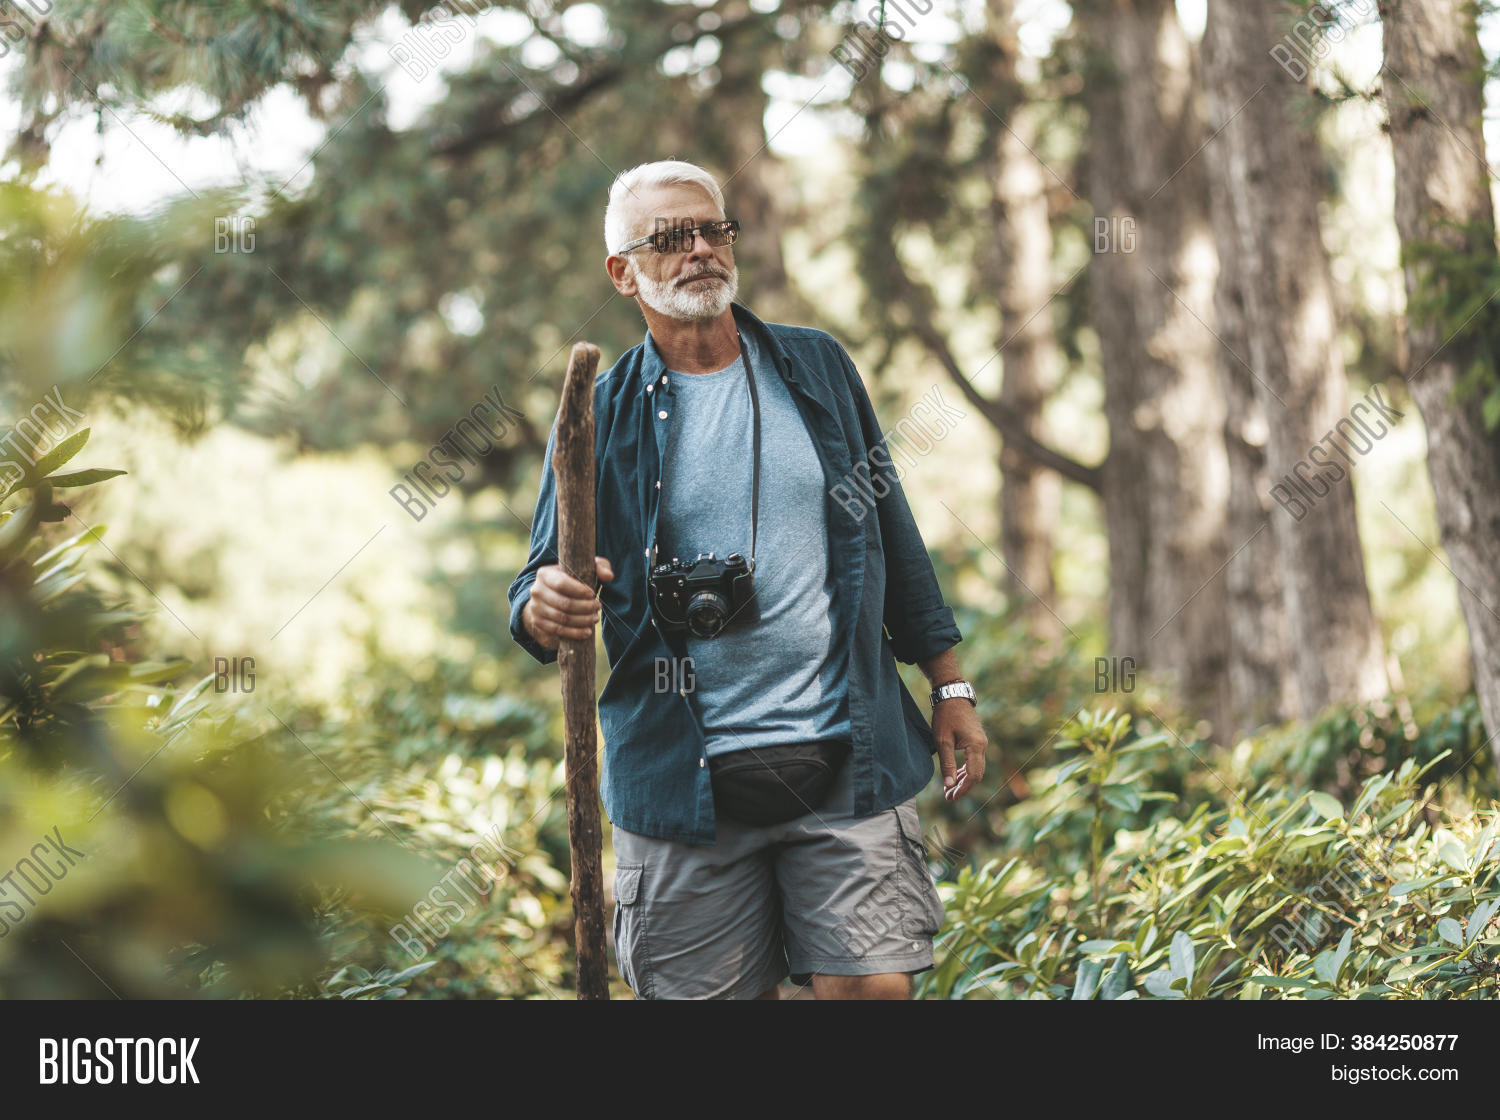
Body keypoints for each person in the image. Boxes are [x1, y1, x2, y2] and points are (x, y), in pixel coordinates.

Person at [508, 159, 987, 1000]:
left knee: (876, 993)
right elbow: (537, 581)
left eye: (710, 230)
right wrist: (543, 604)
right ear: (623, 272)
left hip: (845, 749)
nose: (698, 249)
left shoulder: (818, 368)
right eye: (668, 238)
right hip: (679, 776)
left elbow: (892, 534)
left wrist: (950, 688)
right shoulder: (598, 408)